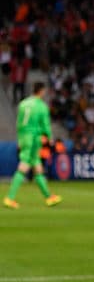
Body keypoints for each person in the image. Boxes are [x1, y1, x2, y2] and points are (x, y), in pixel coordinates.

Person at [4, 81, 62, 209]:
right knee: (24, 165)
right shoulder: (41, 106)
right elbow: (45, 125)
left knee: (37, 166)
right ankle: (10, 198)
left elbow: (19, 123)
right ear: (41, 91)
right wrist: (49, 138)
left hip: (24, 136)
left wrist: (19, 139)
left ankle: (49, 197)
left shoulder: (23, 103)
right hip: (34, 138)